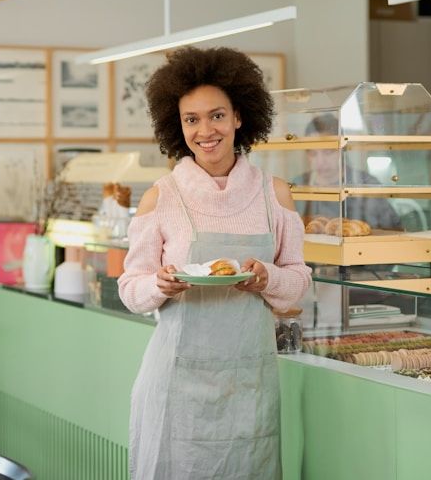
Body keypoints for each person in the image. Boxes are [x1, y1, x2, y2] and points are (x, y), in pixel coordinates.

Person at [118, 47, 311, 480]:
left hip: (249, 383)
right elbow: (130, 288)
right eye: (191, 119)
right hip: (175, 385)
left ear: (239, 117)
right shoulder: (161, 197)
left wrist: (267, 278)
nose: (205, 131)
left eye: (217, 115)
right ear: (177, 125)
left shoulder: (274, 194)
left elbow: (298, 280)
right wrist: (159, 285)